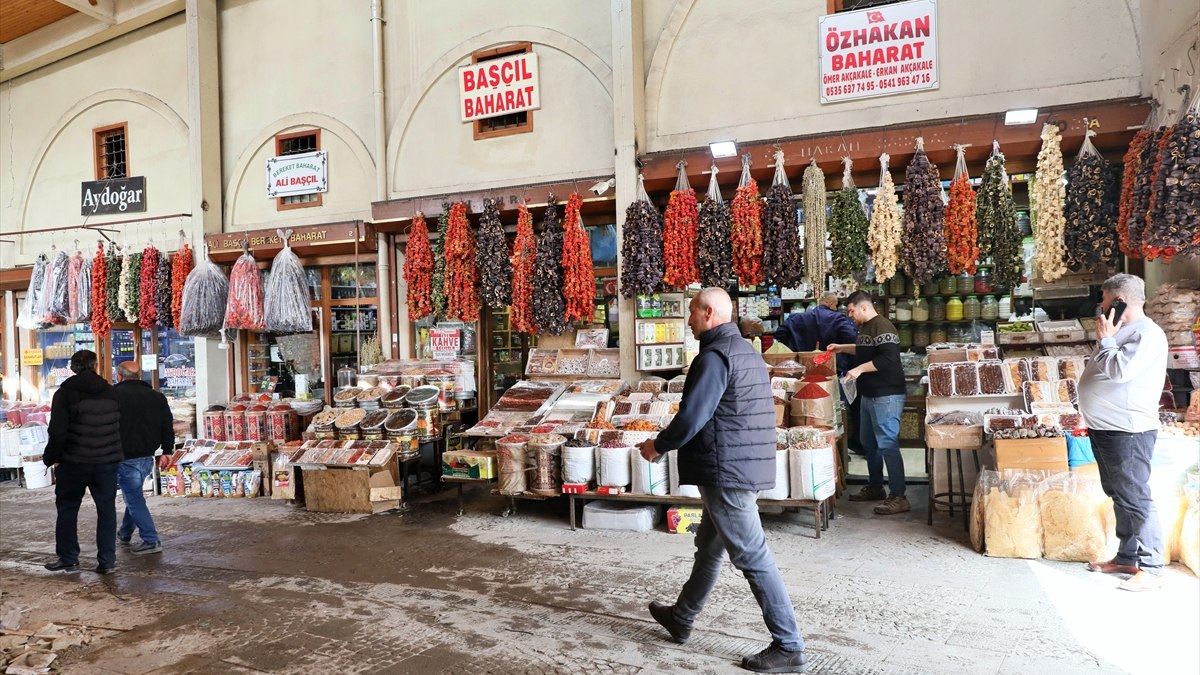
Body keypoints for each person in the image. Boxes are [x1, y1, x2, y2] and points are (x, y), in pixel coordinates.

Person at [637, 287, 807, 674]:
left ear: (709, 313)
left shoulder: (714, 356)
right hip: (739, 464)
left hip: (726, 469)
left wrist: (658, 445)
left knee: (752, 556)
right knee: (710, 547)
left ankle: (789, 645)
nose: (689, 320)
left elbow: (693, 416)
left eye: (693, 313)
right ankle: (682, 616)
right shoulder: (745, 351)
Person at [1077, 274, 1169, 592]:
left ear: (1120, 301)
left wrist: (1105, 340)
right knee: (1119, 495)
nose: (1100, 306)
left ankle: (1152, 566)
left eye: (1104, 299)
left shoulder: (1147, 334)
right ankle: (1127, 556)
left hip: (1128, 431)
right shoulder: (1123, 330)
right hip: (1106, 428)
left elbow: (1119, 372)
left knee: (1135, 496)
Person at [827, 291, 909, 515]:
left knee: (887, 444)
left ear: (863, 307)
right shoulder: (865, 328)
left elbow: (888, 358)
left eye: (851, 311)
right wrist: (842, 347)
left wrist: (859, 369)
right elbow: (866, 350)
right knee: (868, 443)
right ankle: (875, 487)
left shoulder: (883, 326)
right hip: (869, 394)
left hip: (887, 395)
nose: (850, 315)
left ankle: (898, 495)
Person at [42, 350, 123, 575]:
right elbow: (119, 425)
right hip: (106, 462)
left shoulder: (65, 393)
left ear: (72, 367)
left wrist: (52, 458)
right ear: (95, 365)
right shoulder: (111, 391)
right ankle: (107, 561)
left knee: (67, 508)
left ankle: (69, 558)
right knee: (106, 509)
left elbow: (57, 431)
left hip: (74, 462)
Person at [773, 291, 861, 453]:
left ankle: (805, 444)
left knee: (803, 412)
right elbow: (853, 339)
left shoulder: (798, 318)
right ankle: (837, 451)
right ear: (832, 304)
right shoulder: (838, 319)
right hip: (831, 373)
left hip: (802, 374)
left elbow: (780, 333)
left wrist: (798, 349)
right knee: (834, 414)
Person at [111, 361, 175, 555]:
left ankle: (150, 539)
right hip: (147, 457)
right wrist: (167, 451)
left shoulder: (112, 396)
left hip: (124, 457)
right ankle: (125, 532)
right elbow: (167, 425)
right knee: (134, 495)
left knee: (134, 498)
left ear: (119, 377)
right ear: (139, 377)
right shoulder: (156, 397)